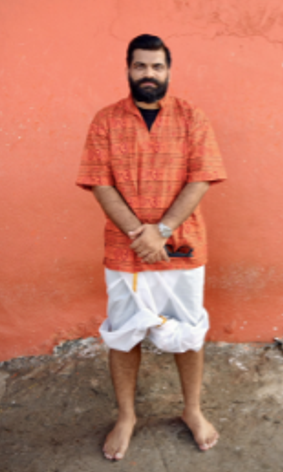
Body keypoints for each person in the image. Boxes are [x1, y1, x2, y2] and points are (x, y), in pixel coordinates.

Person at [76, 34, 227, 460]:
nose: (149, 74)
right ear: (128, 69)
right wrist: (139, 236)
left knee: (190, 330)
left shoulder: (191, 117)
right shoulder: (105, 120)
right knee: (123, 335)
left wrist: (161, 230)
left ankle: (193, 410)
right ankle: (127, 416)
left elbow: (201, 178)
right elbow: (98, 183)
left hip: (182, 246)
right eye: (141, 66)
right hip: (125, 250)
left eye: (157, 67)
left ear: (168, 71)